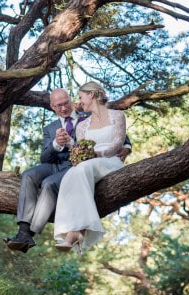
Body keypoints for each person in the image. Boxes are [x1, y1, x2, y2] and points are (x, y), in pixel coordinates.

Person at [3, 87, 131, 253]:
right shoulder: (50, 128)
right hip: (55, 165)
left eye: (66, 103)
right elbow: (45, 158)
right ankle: (23, 230)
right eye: (58, 106)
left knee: (49, 184)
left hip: (76, 165)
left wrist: (127, 147)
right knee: (28, 175)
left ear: (71, 101)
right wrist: (56, 143)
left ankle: (29, 234)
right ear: (52, 107)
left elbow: (117, 135)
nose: (63, 108)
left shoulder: (87, 116)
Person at [53, 81, 126, 254]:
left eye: (80, 97)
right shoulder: (82, 125)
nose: (78, 102)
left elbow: (118, 142)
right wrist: (65, 140)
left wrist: (99, 154)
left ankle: (79, 231)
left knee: (83, 169)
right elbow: (79, 148)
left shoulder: (117, 115)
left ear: (91, 95)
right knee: (70, 175)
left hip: (111, 160)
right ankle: (73, 230)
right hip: (90, 163)